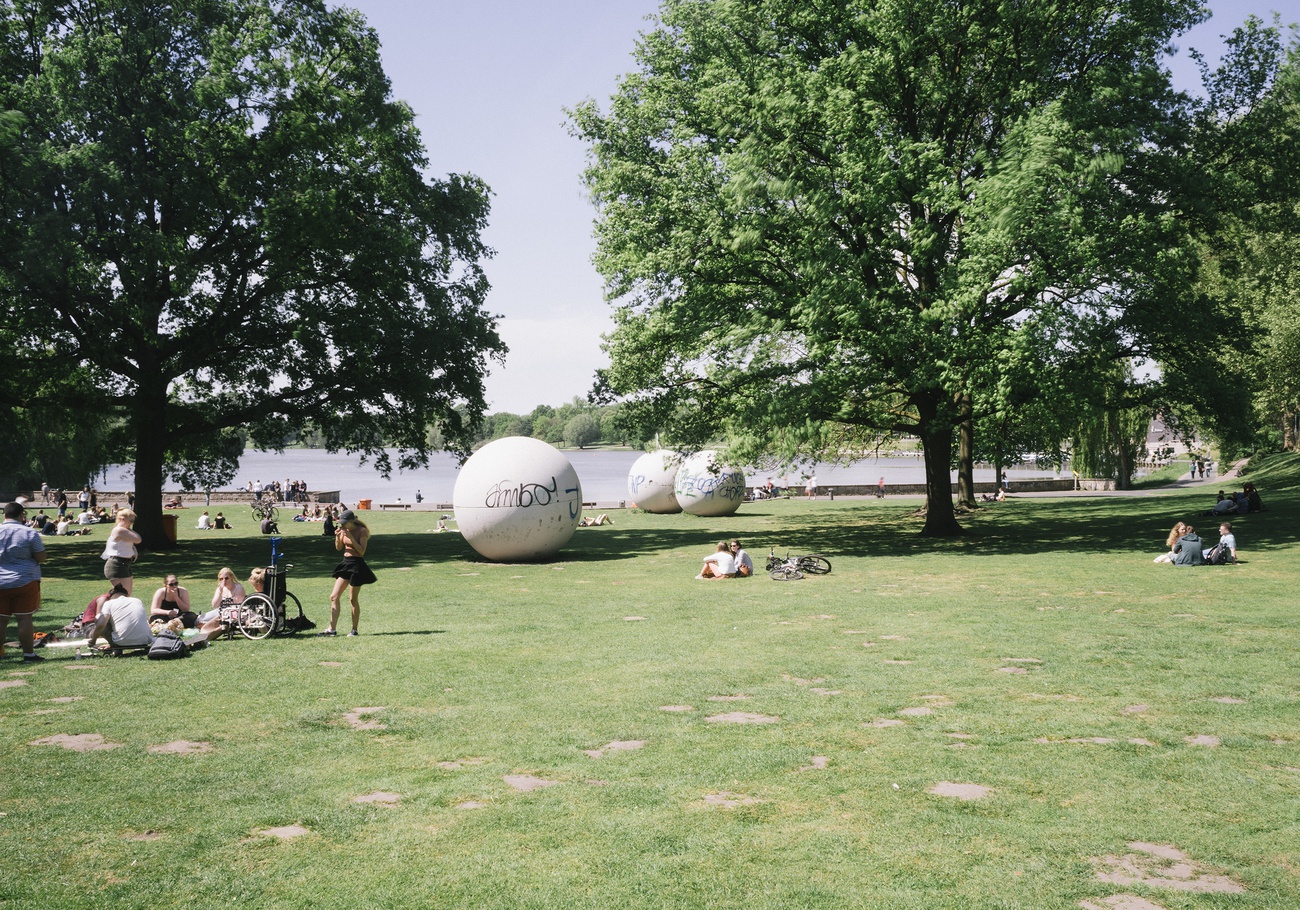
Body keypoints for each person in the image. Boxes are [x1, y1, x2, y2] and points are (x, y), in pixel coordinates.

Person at [0, 501, 48, 662]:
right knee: (24, 618)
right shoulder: (29, 533)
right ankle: (29, 654)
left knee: (1, 619)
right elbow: (41, 557)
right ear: (22, 515)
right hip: (25, 580)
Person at [319, 510, 375, 637]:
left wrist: (350, 538)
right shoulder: (343, 530)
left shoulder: (362, 531)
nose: (342, 526)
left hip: (357, 565)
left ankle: (354, 630)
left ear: (352, 522)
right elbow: (339, 548)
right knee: (334, 596)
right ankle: (331, 629)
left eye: (345, 523)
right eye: (341, 523)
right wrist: (338, 537)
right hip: (346, 563)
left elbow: (361, 552)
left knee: (352, 599)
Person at [86, 584, 154, 650]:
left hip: (121, 642)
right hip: (145, 640)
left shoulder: (109, 603)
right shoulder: (137, 601)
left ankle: (116, 643)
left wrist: (93, 640)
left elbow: (101, 624)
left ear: (111, 597)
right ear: (126, 595)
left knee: (100, 618)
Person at [101, 508, 140, 594]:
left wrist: (134, 549)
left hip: (125, 563)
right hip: (117, 564)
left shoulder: (123, 531)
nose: (132, 523)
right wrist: (128, 528)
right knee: (122, 594)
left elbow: (129, 543)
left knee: (125, 594)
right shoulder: (119, 530)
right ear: (123, 519)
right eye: (131, 520)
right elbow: (138, 539)